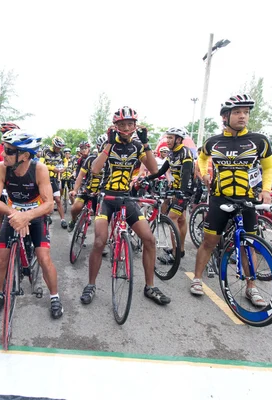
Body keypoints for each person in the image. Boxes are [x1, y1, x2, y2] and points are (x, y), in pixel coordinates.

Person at [190, 94, 272, 307]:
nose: (243, 116)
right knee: (209, 241)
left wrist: (266, 190)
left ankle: (251, 287)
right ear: (225, 117)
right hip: (220, 197)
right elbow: (201, 157)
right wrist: (204, 174)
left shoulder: (259, 140)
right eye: (237, 112)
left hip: (246, 198)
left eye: (246, 112)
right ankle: (197, 278)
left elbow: (268, 166)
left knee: (250, 246)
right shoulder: (213, 141)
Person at [81, 106, 170, 306]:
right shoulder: (108, 144)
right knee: (99, 241)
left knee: (149, 239)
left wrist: (146, 142)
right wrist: (108, 145)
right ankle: (91, 285)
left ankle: (150, 287)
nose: (127, 127)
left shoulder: (138, 146)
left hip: (126, 198)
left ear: (135, 126)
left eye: (130, 124)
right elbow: (95, 169)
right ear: (116, 126)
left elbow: (154, 170)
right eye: (122, 124)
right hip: (107, 199)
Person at [0, 129, 63, 319]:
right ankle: (0, 292)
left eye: (9, 151)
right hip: (13, 214)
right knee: (0, 257)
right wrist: (16, 214)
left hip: (35, 214)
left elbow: (49, 204)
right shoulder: (0, 168)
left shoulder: (39, 169)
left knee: (44, 258)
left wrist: (27, 216)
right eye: (4, 149)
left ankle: (55, 296)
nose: (3, 154)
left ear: (25, 155)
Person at [146, 127, 195, 263]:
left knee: (172, 218)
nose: (167, 140)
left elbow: (186, 173)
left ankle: (175, 253)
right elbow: (162, 171)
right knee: (181, 219)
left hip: (186, 189)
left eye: (170, 138)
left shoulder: (185, 152)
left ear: (178, 139)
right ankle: (181, 249)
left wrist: (182, 192)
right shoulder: (172, 153)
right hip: (177, 188)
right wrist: (147, 178)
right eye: (167, 137)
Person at [67, 135, 107, 233]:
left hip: (102, 192)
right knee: (75, 207)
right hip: (88, 189)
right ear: (98, 147)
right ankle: (73, 220)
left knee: (102, 222)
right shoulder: (90, 159)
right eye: (104, 145)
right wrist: (75, 190)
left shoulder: (113, 160)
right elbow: (80, 175)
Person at [41, 136, 68, 228]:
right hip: (44, 179)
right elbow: (41, 164)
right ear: (54, 145)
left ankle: (63, 220)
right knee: (46, 200)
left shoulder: (60, 153)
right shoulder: (46, 151)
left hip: (54, 179)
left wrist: (64, 167)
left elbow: (66, 161)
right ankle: (46, 216)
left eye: (60, 148)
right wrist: (52, 168)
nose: (59, 149)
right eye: (58, 147)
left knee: (58, 200)